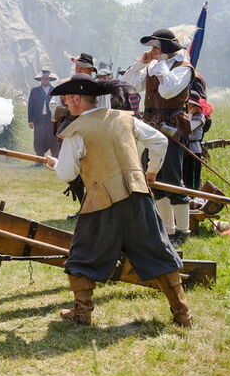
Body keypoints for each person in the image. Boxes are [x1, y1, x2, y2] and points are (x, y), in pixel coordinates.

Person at [45, 74, 192, 327]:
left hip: (102, 203)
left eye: (68, 99)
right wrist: (151, 171)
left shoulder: (75, 131)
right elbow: (159, 141)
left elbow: (67, 174)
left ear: (77, 99)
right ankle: (182, 314)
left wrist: (55, 164)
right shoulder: (125, 118)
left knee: (82, 256)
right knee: (158, 252)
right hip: (139, 198)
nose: (66, 104)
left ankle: (82, 312)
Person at [121, 28, 194, 246]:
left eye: (155, 48)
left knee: (172, 176)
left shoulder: (184, 68)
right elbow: (131, 86)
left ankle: (183, 231)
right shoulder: (154, 66)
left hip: (172, 126)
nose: (152, 51)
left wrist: (159, 64)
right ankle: (167, 228)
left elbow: (167, 92)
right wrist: (141, 64)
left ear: (165, 49)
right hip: (152, 125)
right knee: (154, 175)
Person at [27, 69, 59, 163]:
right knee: (39, 139)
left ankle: (55, 161)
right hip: (39, 119)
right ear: (40, 80)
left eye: (46, 79)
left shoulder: (55, 91)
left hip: (52, 120)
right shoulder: (35, 91)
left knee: (53, 140)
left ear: (49, 80)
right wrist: (30, 120)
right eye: (43, 79)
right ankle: (39, 160)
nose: (45, 80)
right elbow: (30, 106)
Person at [182, 93, 206, 190]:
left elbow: (187, 128)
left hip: (193, 150)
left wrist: (191, 114)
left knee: (192, 178)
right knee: (184, 176)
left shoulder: (199, 117)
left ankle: (193, 197)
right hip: (184, 149)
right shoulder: (186, 115)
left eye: (189, 104)